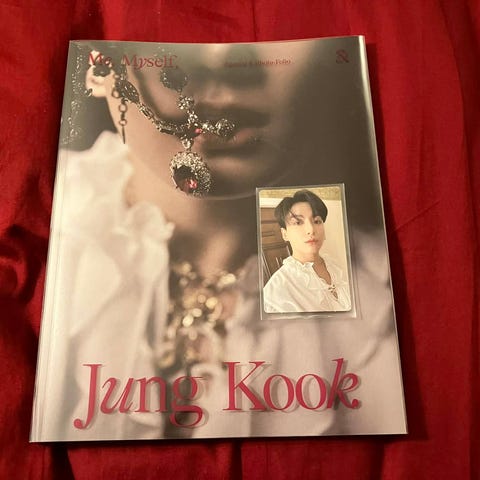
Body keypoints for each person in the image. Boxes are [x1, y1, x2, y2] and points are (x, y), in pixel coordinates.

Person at [34, 39, 407, 442]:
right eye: (165, 28)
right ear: (97, 62)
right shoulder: (30, 240)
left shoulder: (390, 304)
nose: (219, 59)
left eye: (275, 29)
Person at [263, 190, 351, 313]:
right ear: (285, 234)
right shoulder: (275, 293)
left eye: (317, 221)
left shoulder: (337, 266)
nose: (311, 229)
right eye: (298, 222)